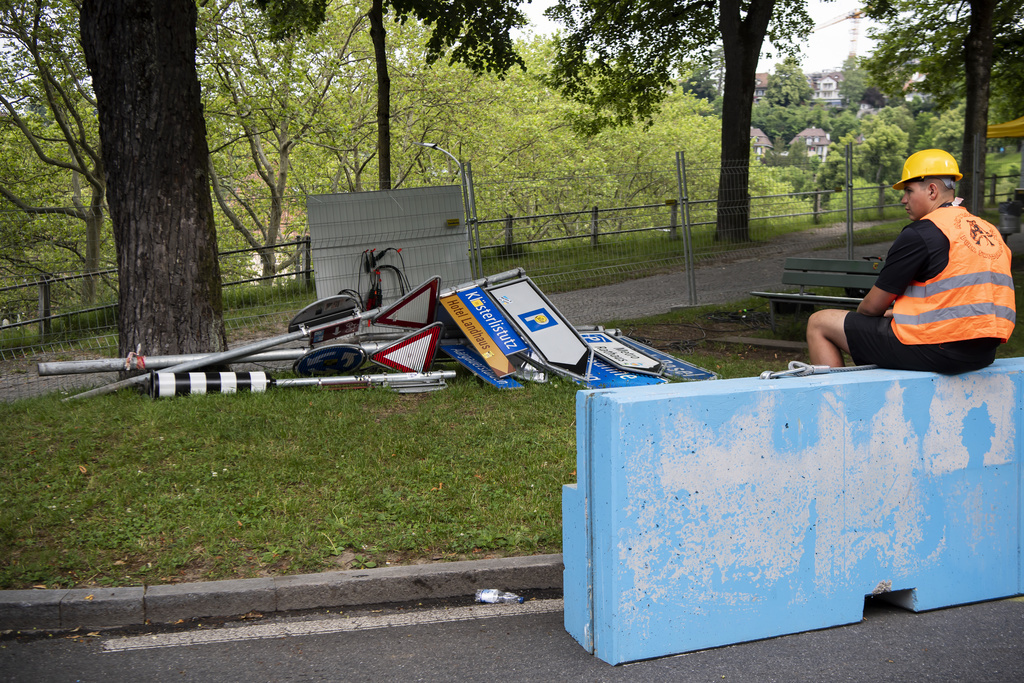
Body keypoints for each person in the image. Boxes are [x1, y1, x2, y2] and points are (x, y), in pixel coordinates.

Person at [806, 149, 1015, 373]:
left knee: (819, 322)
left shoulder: (922, 232)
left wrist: (864, 324)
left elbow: (871, 308)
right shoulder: (987, 229)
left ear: (932, 190)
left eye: (908, 191)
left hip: (937, 349)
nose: (903, 199)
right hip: (983, 353)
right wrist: (902, 314)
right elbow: (961, 298)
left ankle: (836, 404)